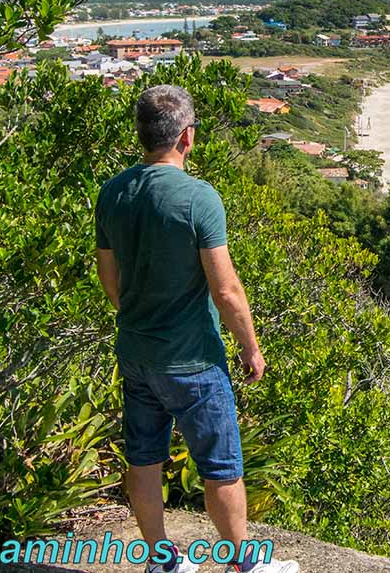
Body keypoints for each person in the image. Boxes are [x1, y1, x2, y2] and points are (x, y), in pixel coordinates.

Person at [95, 85, 298, 573]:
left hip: (137, 351)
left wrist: (139, 314)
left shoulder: (113, 192)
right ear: (187, 137)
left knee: (143, 461)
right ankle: (243, 564)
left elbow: (107, 273)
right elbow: (226, 289)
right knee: (222, 468)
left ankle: (162, 562)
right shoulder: (198, 198)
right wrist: (251, 347)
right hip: (193, 359)